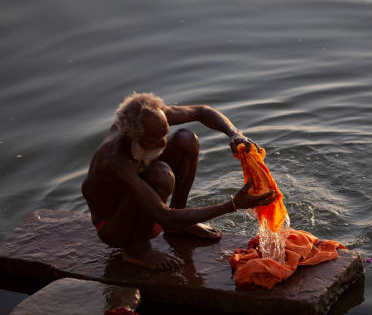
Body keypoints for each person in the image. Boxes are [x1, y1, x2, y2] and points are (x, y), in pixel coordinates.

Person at [81, 92, 275, 270]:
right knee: (161, 175)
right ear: (132, 137)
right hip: (114, 227)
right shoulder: (113, 160)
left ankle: (182, 221)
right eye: (154, 140)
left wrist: (235, 134)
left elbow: (202, 111)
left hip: (143, 198)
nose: (164, 143)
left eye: (164, 134)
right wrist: (233, 205)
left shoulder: (150, 116)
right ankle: (137, 249)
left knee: (186, 139)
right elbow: (164, 216)